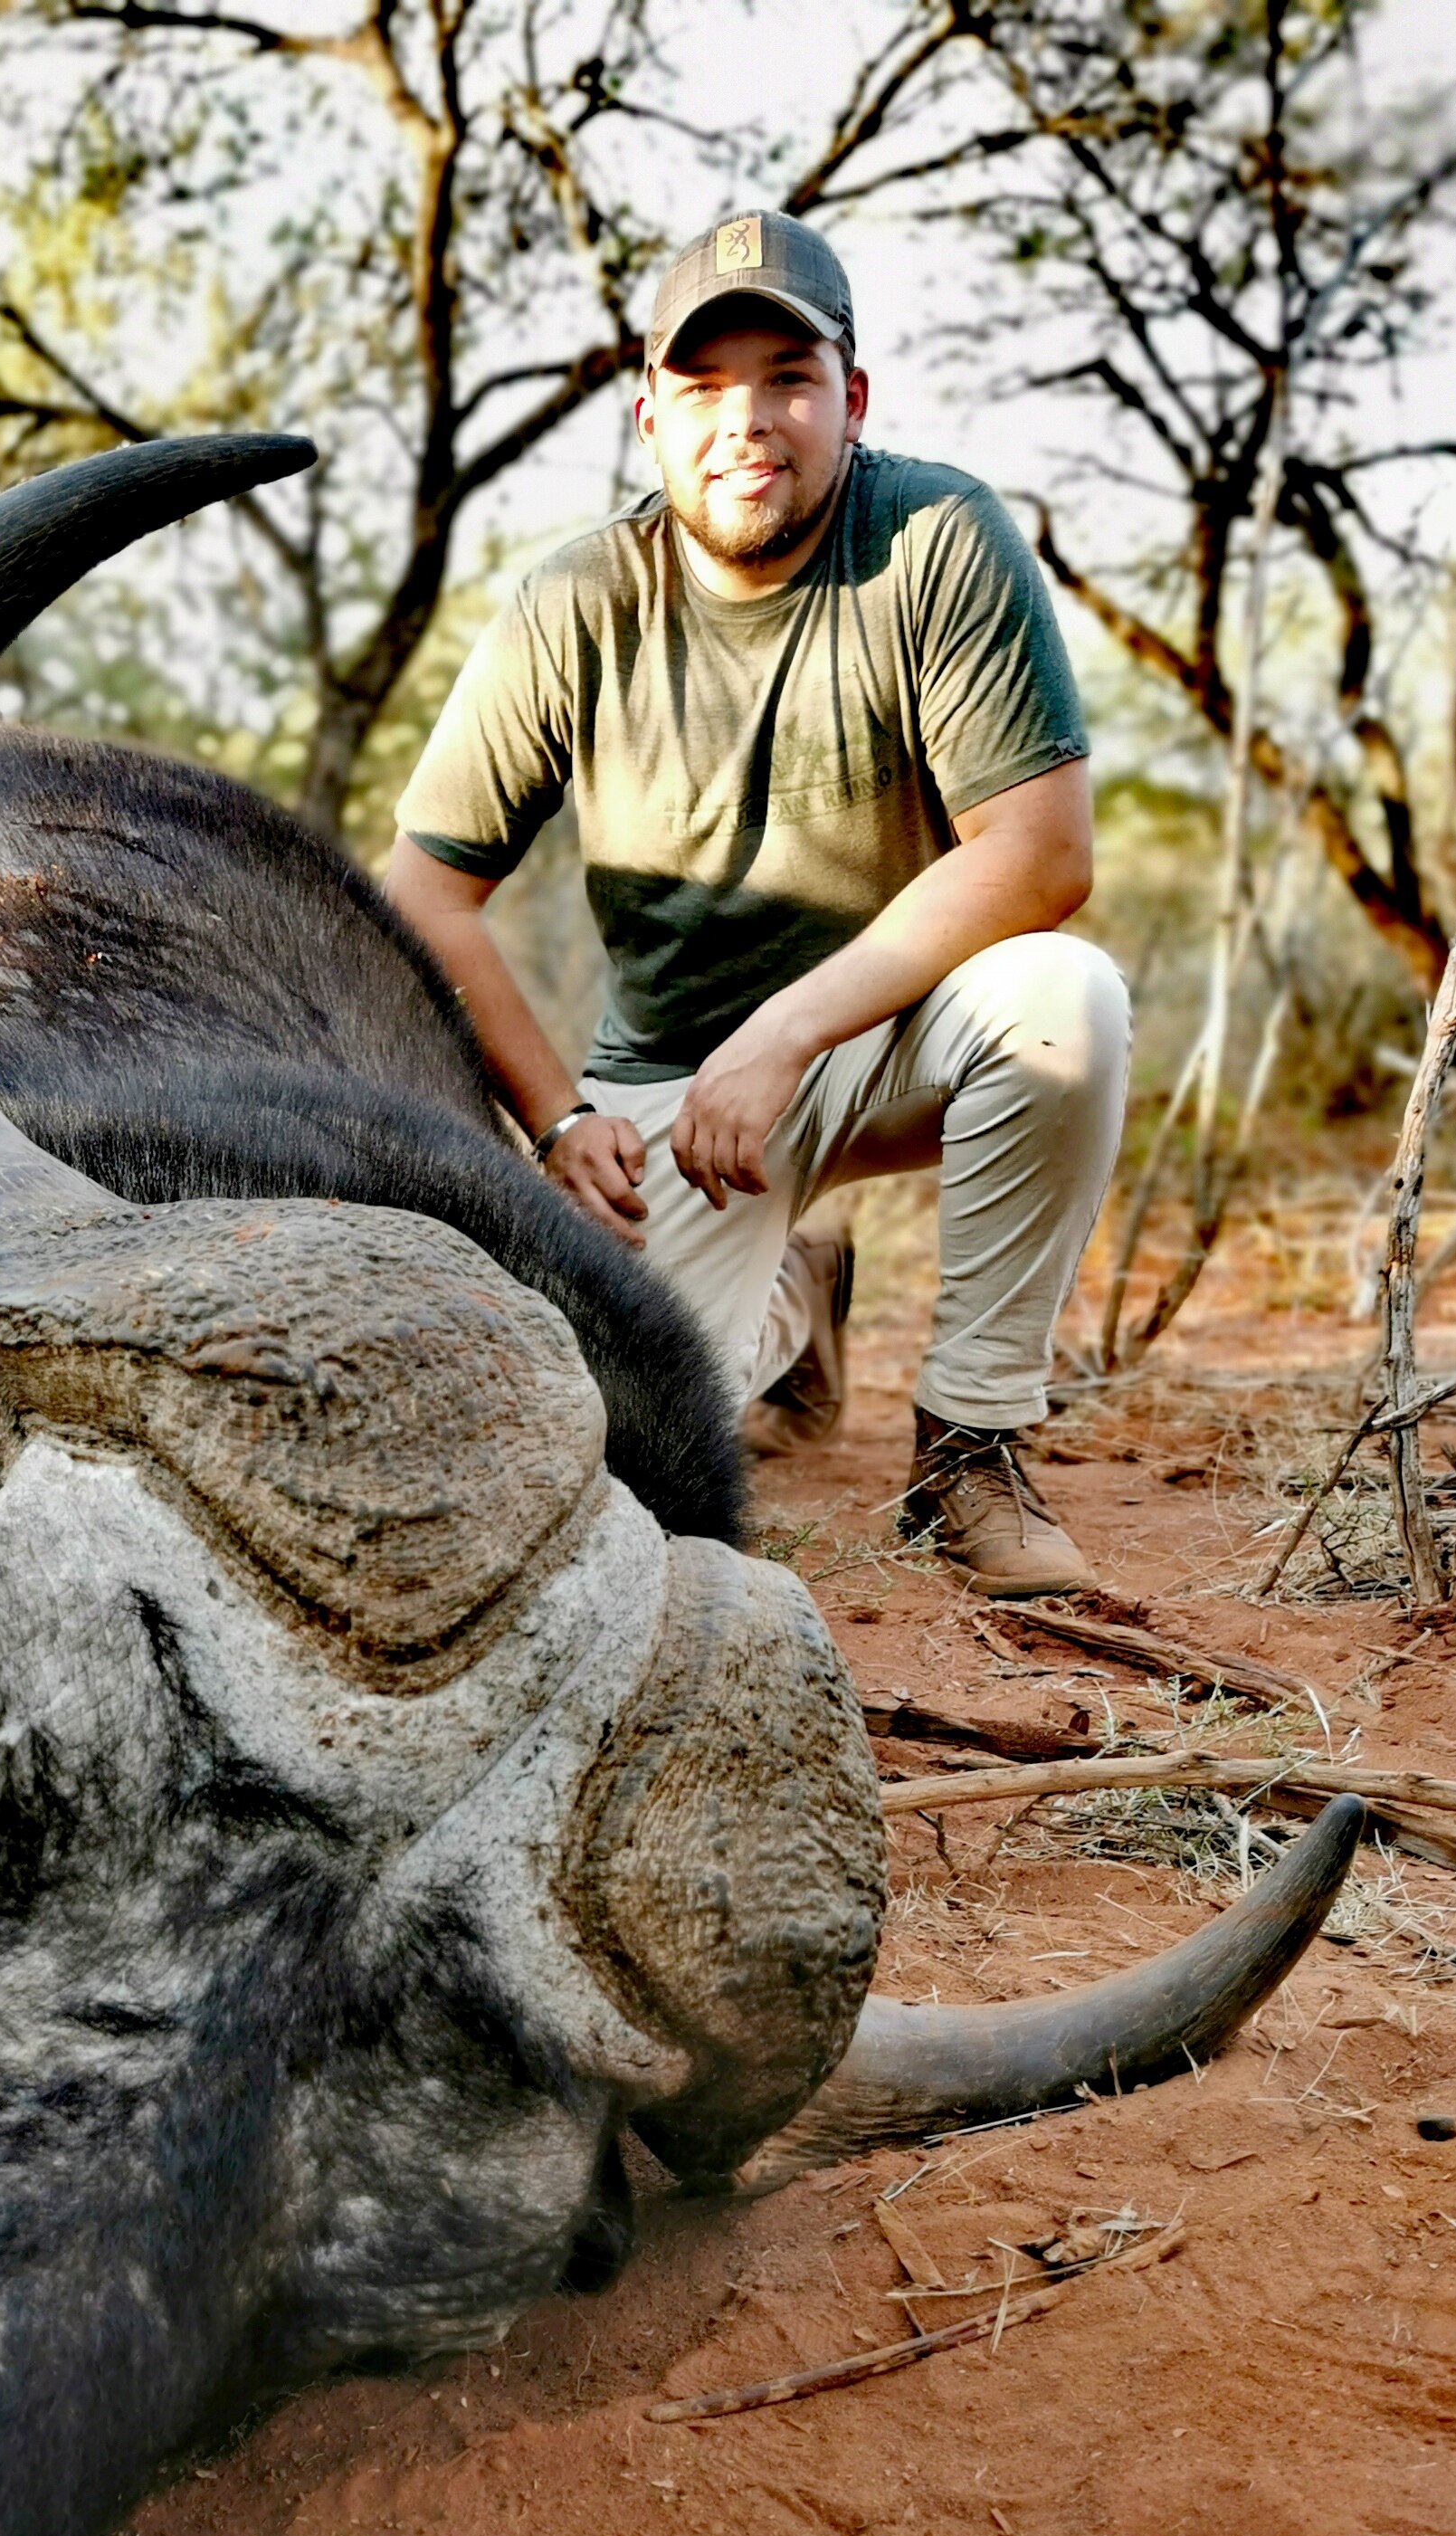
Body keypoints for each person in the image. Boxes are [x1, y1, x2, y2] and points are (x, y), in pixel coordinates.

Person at [387, 207, 1130, 1598]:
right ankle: (796, 1281)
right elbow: (425, 895)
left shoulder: (939, 535)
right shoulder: (574, 601)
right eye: (706, 386)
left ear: (850, 397)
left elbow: (1040, 855)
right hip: (675, 1089)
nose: (751, 422)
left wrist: (784, 1036)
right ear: (646, 416)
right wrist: (558, 1118)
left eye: (788, 379)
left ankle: (970, 1446)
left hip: (897, 1039)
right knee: (618, 1461)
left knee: (1066, 1002)